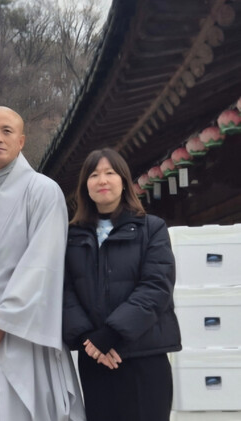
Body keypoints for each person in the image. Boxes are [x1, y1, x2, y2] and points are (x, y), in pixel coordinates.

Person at [0, 106, 85, 421]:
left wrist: (3, 319)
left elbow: (43, 263)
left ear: (21, 140)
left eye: (6, 131)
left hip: (23, 324)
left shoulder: (44, 191)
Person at [62, 148, 181, 421]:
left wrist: (111, 334)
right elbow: (63, 291)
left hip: (144, 355)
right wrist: (89, 340)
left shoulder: (152, 229)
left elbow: (156, 286)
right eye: (94, 175)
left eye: (110, 173)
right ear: (85, 186)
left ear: (124, 181)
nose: (102, 180)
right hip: (95, 358)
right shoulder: (71, 236)